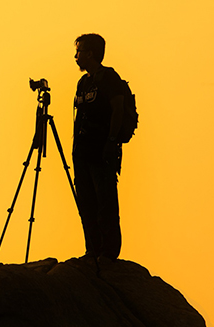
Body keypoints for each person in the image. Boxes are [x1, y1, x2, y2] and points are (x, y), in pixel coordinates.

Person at [72, 33, 125, 264]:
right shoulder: (83, 83)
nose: (75, 57)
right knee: (86, 202)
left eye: (79, 51)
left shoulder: (108, 78)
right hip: (82, 151)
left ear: (90, 53)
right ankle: (92, 249)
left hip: (101, 150)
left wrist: (111, 141)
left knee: (105, 202)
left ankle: (108, 252)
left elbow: (119, 109)